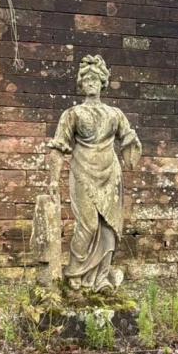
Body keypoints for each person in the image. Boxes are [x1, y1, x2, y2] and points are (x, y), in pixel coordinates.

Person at [47, 55, 141, 291]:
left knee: (110, 227)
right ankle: (76, 273)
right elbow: (58, 147)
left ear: (102, 82)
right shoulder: (73, 114)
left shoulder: (115, 114)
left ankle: (101, 277)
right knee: (87, 224)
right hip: (82, 173)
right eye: (86, 79)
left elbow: (128, 139)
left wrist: (132, 149)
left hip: (111, 174)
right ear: (81, 84)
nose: (90, 83)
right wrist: (52, 181)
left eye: (95, 79)